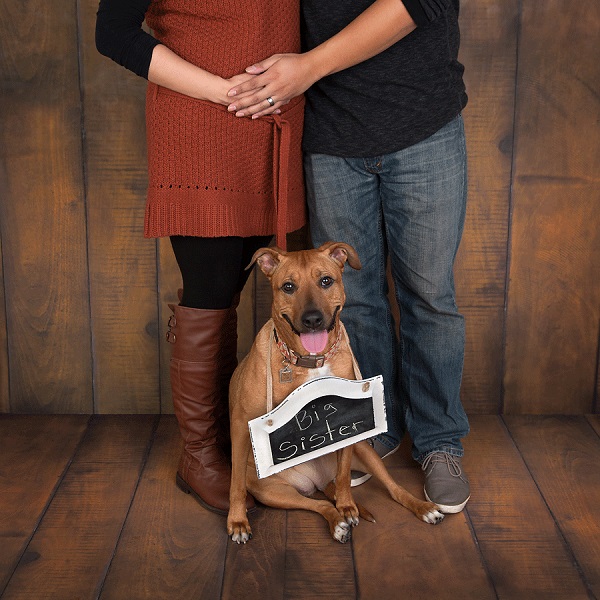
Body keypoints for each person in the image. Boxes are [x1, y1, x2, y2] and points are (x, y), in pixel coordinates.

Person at [226, 0, 471, 513]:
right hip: (333, 134)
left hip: (423, 120)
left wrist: (307, 68)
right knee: (353, 304)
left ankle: (440, 443)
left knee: (429, 296)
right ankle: (371, 433)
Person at [95, 0, 308, 515]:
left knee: (231, 293)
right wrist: (228, 91)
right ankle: (198, 458)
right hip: (201, 125)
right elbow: (113, 34)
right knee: (210, 293)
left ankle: (226, 445)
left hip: (276, 126)